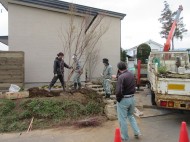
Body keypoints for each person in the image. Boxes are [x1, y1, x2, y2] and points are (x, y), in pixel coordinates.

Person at [115, 61, 141, 142]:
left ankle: (125, 138)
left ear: (118, 69)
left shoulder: (121, 77)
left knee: (122, 119)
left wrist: (118, 100)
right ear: (126, 67)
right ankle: (137, 132)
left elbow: (119, 91)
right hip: (132, 98)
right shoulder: (131, 74)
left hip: (124, 100)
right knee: (131, 116)